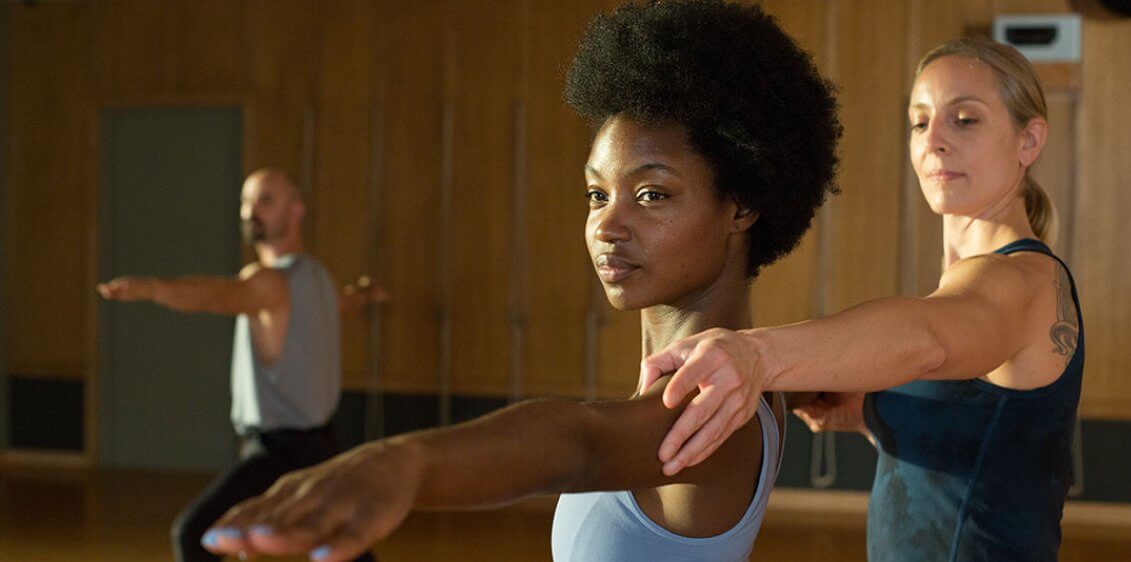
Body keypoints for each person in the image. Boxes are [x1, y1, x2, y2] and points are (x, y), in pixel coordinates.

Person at [201, 2, 840, 561]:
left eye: (652, 193)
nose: (606, 225)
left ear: (742, 205)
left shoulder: (715, 413)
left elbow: (579, 443)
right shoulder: (758, 377)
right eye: (596, 193)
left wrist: (406, 461)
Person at [640, 37, 1084, 561]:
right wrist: (875, 415)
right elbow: (982, 449)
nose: (933, 141)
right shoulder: (967, 285)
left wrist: (755, 354)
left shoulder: (1026, 279)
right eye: (919, 122)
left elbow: (929, 338)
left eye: (964, 119)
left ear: (1029, 141)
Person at [97, 168, 385, 562]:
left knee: (195, 535)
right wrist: (366, 294)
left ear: (296, 211)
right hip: (319, 446)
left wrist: (153, 288)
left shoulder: (269, 281)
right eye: (246, 201)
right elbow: (343, 304)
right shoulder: (319, 278)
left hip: (282, 451)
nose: (251, 211)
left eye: (265, 200)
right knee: (343, 545)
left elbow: (219, 294)